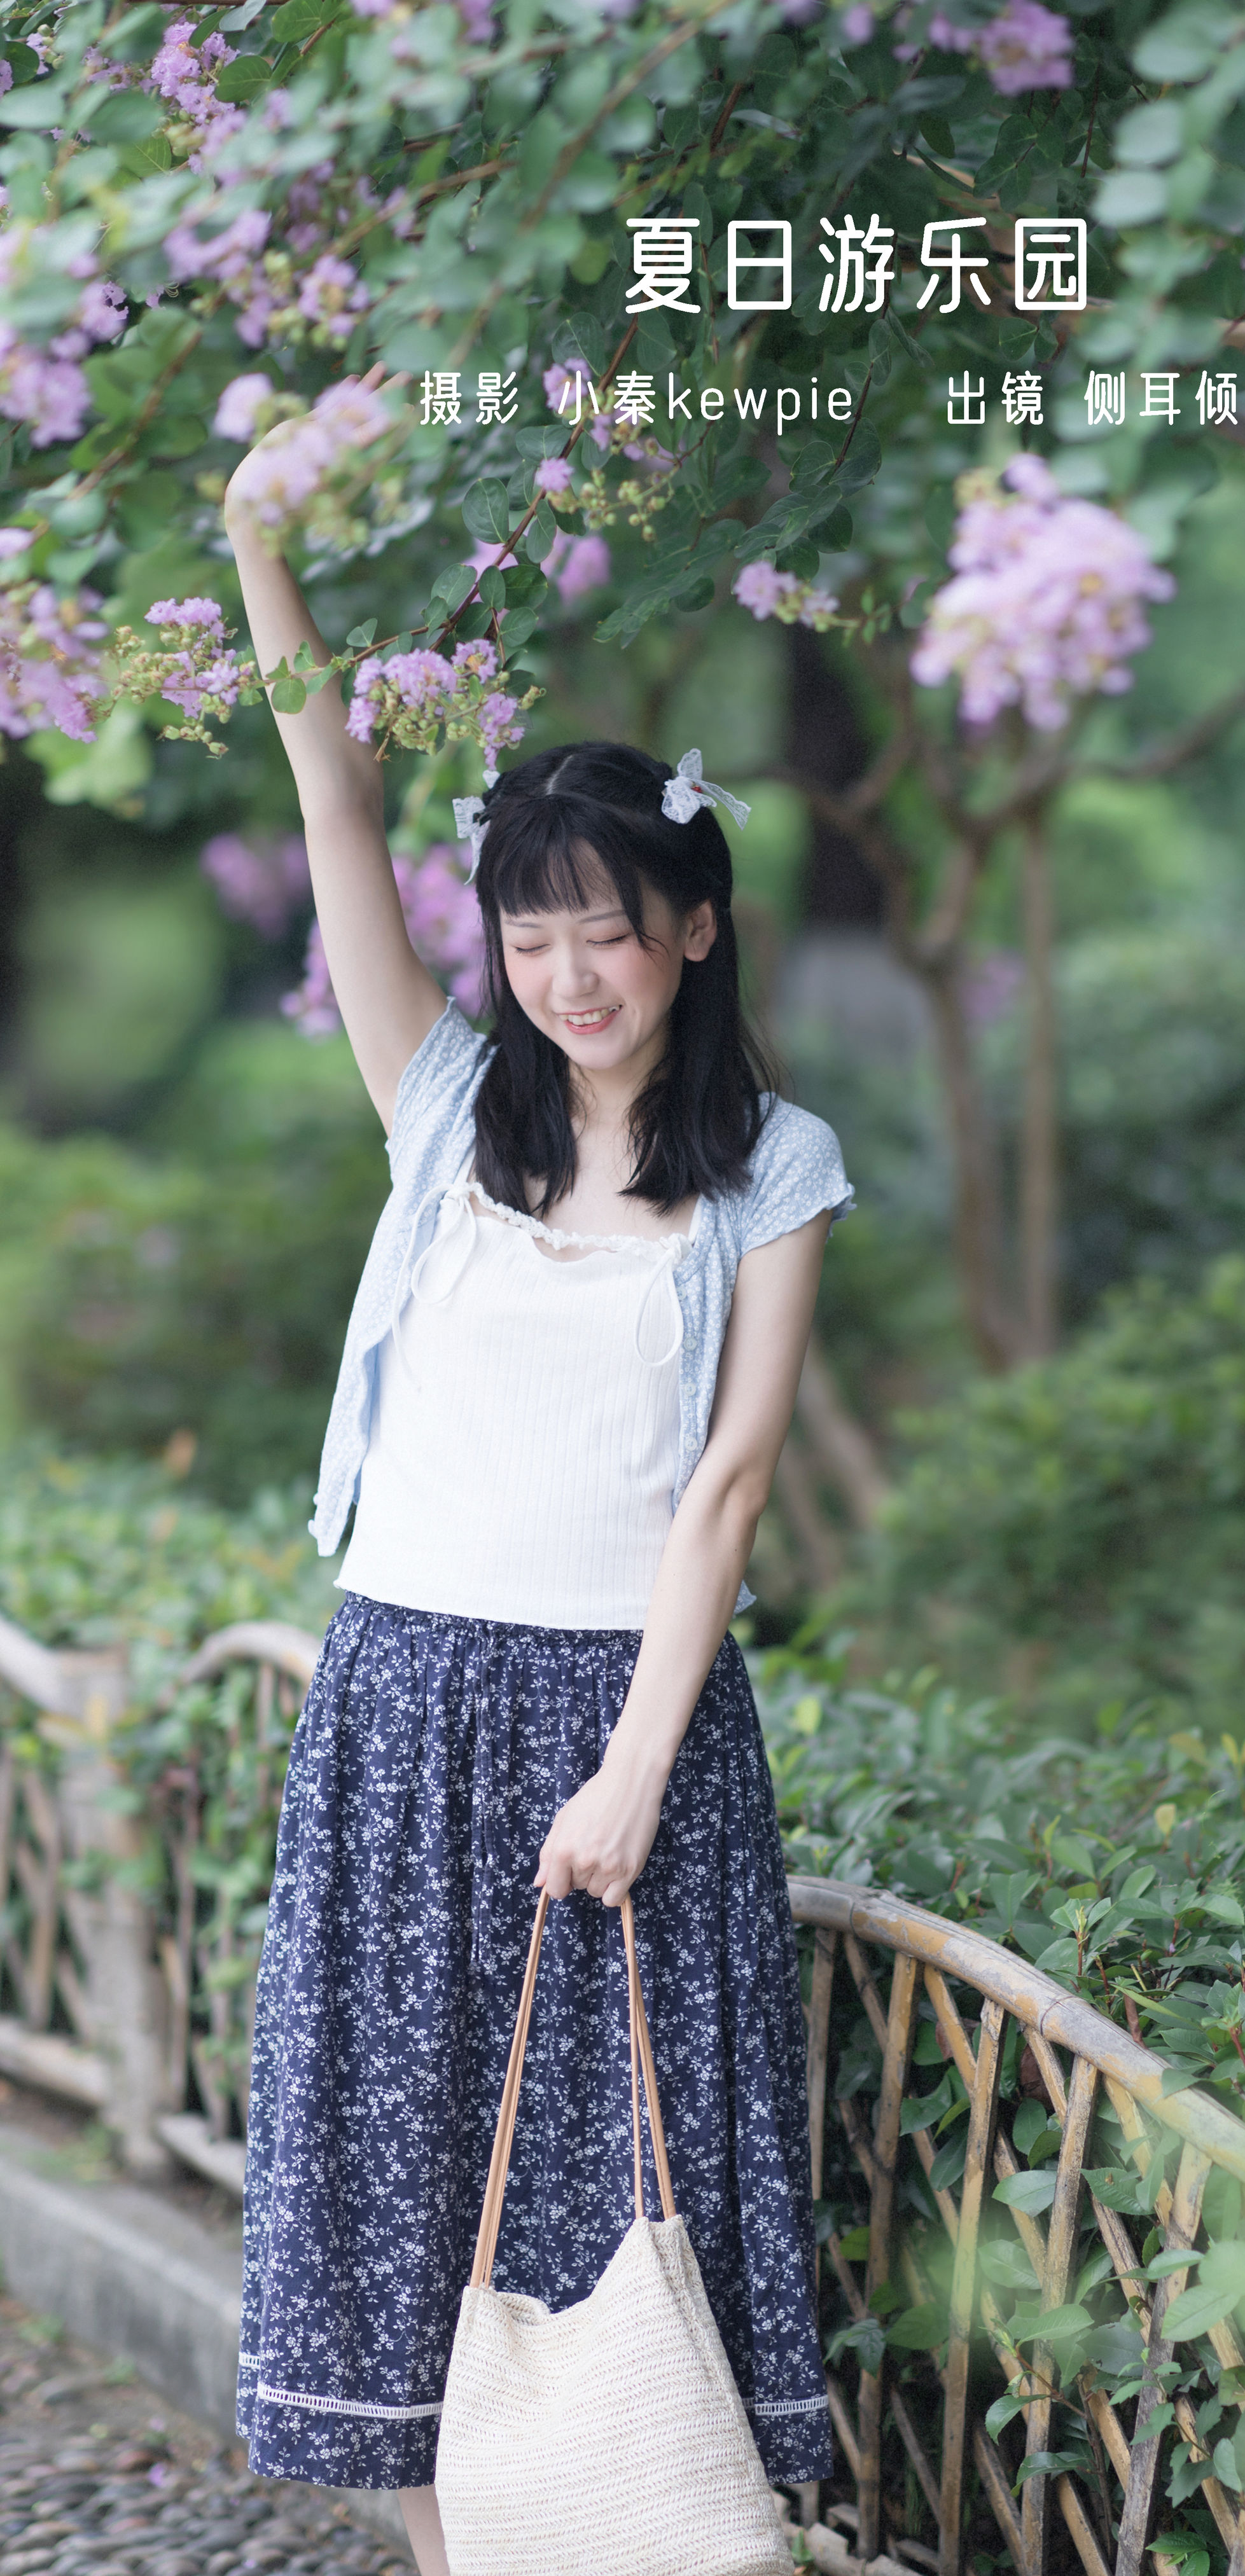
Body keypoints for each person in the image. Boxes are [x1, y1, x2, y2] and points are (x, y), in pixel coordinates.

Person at [223, 389, 846, 2576]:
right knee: (407, 2187)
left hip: (626, 1718)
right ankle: (456, 2548)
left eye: (612, 926)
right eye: (532, 931)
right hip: (402, 1696)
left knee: (627, 2188)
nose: (569, 972)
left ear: (694, 923)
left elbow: (732, 1483)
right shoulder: (447, 1104)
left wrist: (635, 1770)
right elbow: (328, 786)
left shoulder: (775, 1165)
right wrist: (257, 537)